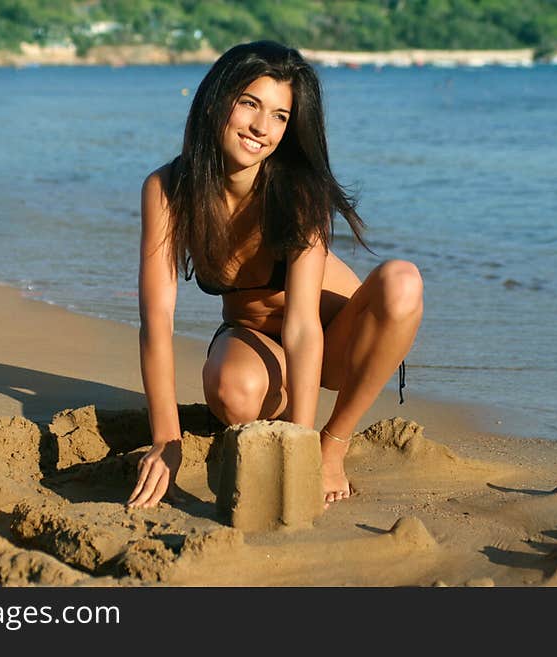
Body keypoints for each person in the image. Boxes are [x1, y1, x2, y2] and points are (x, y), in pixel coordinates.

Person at [127, 41, 422, 509]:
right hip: (258, 339)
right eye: (250, 104)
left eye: (281, 116)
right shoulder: (168, 190)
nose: (262, 128)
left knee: (402, 281)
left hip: (338, 341)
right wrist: (168, 438)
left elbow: (304, 327)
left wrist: (301, 449)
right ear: (217, 99)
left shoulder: (298, 192)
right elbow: (157, 319)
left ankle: (333, 444)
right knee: (233, 394)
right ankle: (284, 404)